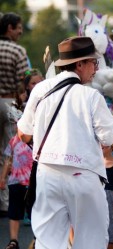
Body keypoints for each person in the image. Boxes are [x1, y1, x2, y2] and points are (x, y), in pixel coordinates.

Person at [17, 36, 113, 249]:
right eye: (93, 62)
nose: (96, 68)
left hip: (47, 174)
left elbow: (23, 133)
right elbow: (107, 139)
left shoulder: (41, 89)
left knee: (48, 241)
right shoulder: (91, 96)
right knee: (91, 241)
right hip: (83, 175)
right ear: (79, 64)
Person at [0, 12, 29, 215]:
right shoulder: (17, 50)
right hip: (10, 102)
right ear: (9, 27)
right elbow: (24, 79)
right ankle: (5, 203)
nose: (20, 31)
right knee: (9, 151)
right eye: (18, 27)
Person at [0, 83, 32, 249]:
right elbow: (8, 159)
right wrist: (3, 177)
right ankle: (14, 240)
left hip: (33, 182)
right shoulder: (13, 141)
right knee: (14, 212)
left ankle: (38, 239)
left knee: (35, 211)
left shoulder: (36, 141)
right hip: (15, 182)